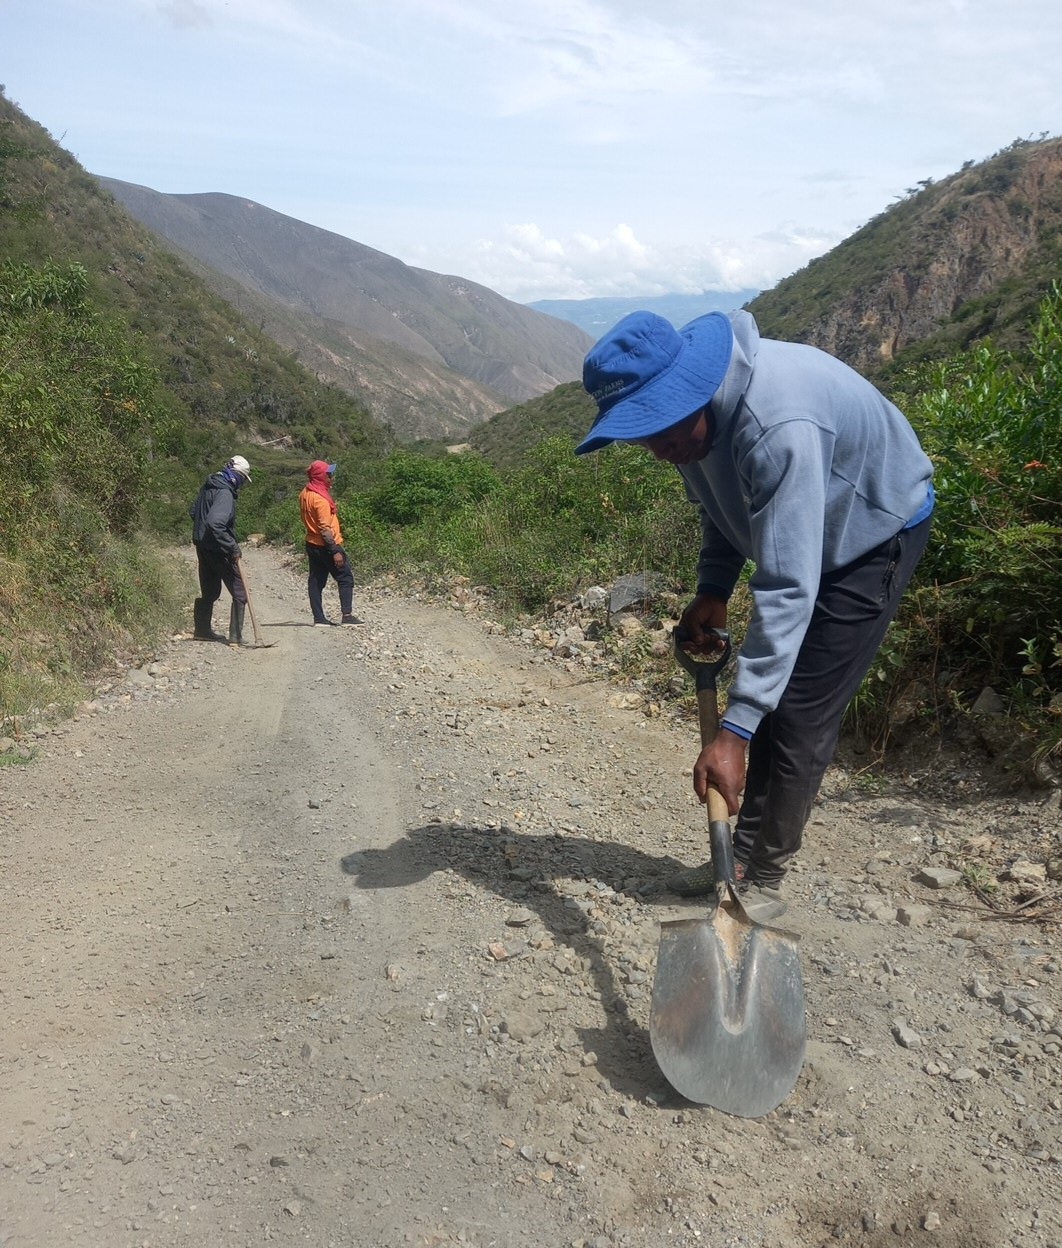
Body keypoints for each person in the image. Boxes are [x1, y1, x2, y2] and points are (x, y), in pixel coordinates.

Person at [577, 310, 934, 922]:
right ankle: (736, 863)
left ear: (693, 388)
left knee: (799, 710)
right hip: (808, 517)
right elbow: (721, 506)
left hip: (874, 526)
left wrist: (735, 731)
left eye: (661, 428)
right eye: (642, 434)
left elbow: (789, 585)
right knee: (770, 697)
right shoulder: (686, 424)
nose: (659, 451)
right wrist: (714, 587)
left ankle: (761, 875)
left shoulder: (777, 427)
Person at [190, 454, 252, 647]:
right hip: (218, 548)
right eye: (242, 478)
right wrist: (231, 546)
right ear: (237, 476)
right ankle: (235, 636)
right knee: (240, 591)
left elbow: (194, 511)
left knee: (210, 590)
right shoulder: (225, 493)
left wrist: (203, 533)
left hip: (203, 545)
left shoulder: (208, 486)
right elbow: (215, 523)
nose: (242, 483)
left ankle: (202, 631)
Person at [298, 460, 363, 626]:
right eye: (328, 474)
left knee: (316, 581)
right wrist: (335, 551)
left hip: (311, 542)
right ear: (320, 476)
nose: (331, 477)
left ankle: (319, 618)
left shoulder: (305, 493)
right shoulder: (320, 499)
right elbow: (325, 529)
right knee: (345, 577)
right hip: (326, 544)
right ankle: (347, 616)